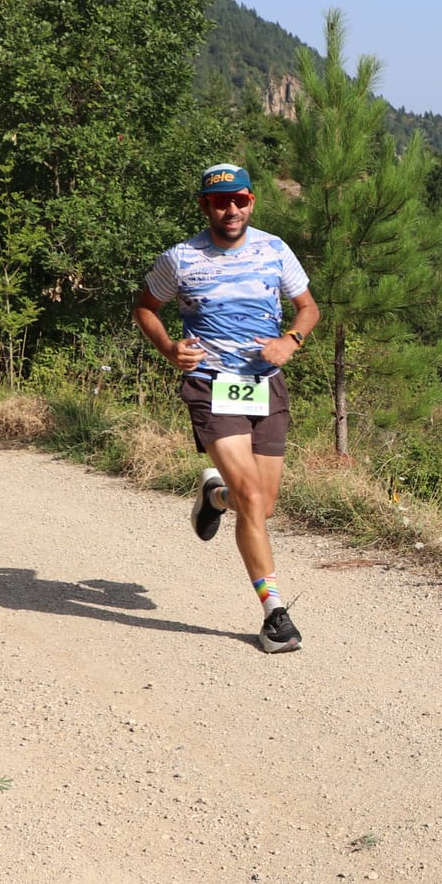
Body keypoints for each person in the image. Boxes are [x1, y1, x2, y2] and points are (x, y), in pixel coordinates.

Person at [133, 164, 320, 653]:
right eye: (220, 202)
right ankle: (274, 614)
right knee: (254, 501)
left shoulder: (275, 249)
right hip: (211, 385)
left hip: (265, 385)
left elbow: (308, 307)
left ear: (252, 201)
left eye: (238, 200)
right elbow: (145, 307)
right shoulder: (181, 258)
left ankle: (214, 497)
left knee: (261, 504)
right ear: (205, 206)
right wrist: (171, 349)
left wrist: (291, 341)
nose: (230, 209)